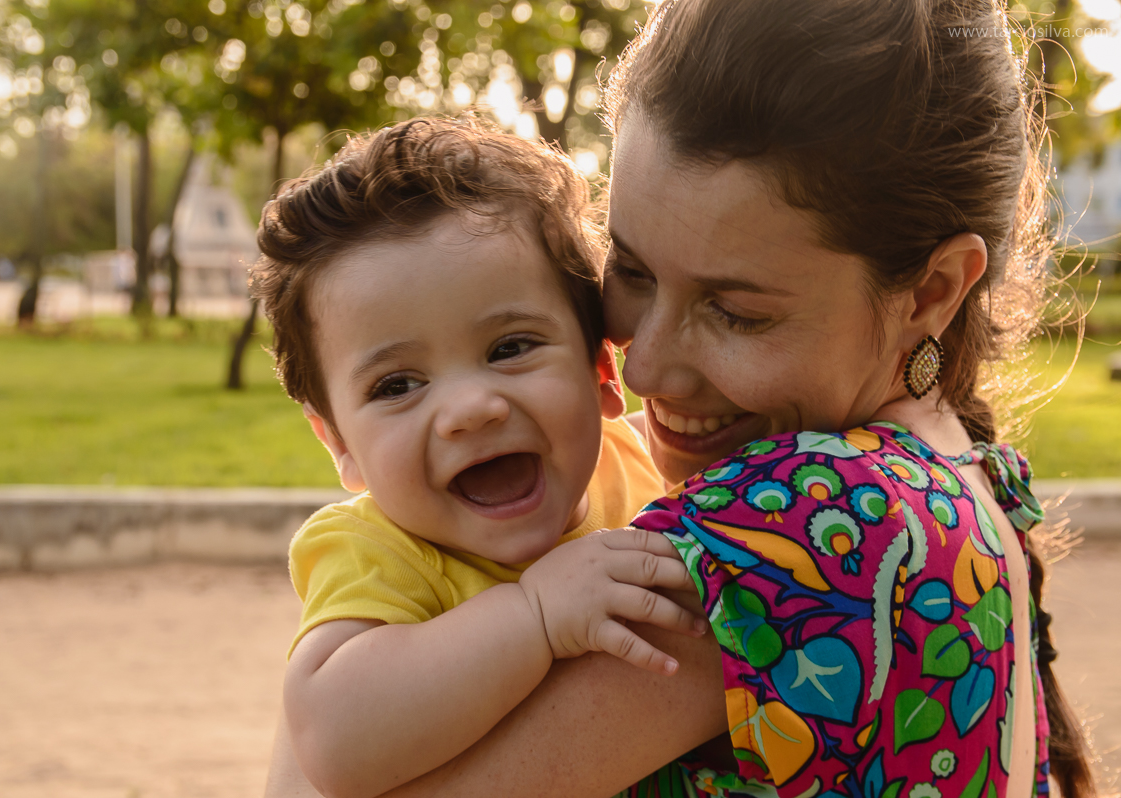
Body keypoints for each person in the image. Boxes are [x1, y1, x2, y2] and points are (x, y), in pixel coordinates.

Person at [264, 0, 1096, 796]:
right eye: (630, 271)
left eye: (737, 311)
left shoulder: (800, 528)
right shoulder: (945, 470)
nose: (642, 369)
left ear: (932, 290)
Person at [252, 117, 707, 798]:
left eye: (510, 348)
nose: (470, 409)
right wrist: (534, 615)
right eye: (397, 386)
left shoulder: (632, 460)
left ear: (601, 372)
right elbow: (332, 739)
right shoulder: (378, 553)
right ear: (340, 444)